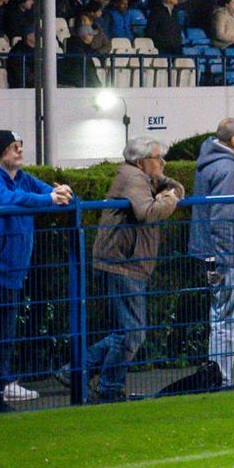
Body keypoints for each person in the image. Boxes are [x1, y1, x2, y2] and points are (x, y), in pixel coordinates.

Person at [0, 131, 75, 416]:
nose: (20, 151)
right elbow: (3, 199)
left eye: (20, 146)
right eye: (13, 147)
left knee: (1, 343)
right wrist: (50, 198)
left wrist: (64, 193)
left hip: (10, 274)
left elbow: (50, 196)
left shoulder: (22, 178)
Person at [76, 137, 185, 402]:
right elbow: (147, 212)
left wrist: (167, 187)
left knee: (127, 331)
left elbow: (178, 188)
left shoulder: (141, 175)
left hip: (124, 262)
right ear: (140, 162)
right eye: (157, 158)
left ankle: (78, 372)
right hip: (123, 263)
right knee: (132, 332)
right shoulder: (135, 179)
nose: (163, 162)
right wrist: (169, 198)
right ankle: (108, 386)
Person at [190, 118, 234, 387]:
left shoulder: (210, 162)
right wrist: (224, 261)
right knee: (229, 321)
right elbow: (222, 219)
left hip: (212, 252)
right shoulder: (228, 169)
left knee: (220, 319)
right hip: (229, 256)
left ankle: (217, 377)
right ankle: (221, 379)